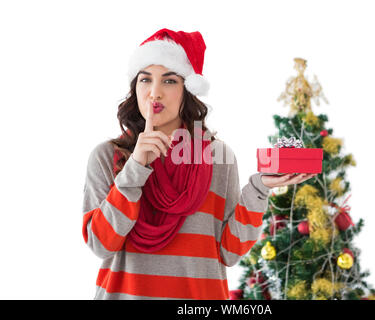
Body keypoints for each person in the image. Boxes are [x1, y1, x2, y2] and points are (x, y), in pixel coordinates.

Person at [81, 28, 317, 300]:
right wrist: (135, 167)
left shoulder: (218, 157)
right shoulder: (105, 156)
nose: (154, 93)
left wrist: (259, 188)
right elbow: (100, 244)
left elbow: (229, 252)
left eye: (169, 81)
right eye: (145, 80)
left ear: (187, 90)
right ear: (135, 88)